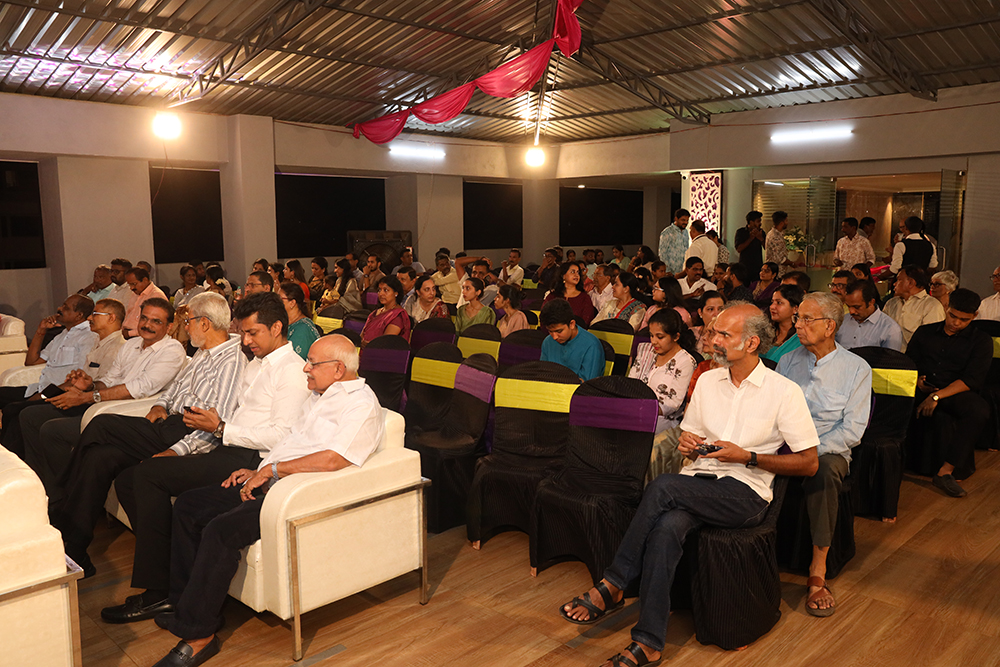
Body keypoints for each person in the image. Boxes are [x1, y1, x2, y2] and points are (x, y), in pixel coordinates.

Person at [559, 303, 819, 667]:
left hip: (745, 492)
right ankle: (649, 642)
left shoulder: (783, 391)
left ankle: (614, 583)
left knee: (663, 487)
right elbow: (690, 435)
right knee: (666, 528)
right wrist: (688, 444)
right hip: (697, 482)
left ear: (751, 343)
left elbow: (809, 463)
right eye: (713, 332)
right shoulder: (709, 380)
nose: (713, 341)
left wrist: (748, 457)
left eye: (723, 334)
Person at [148, 335, 383, 667]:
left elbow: (333, 459)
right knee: (188, 505)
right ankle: (184, 603)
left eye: (313, 363)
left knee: (221, 530)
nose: (305, 368)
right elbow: (290, 442)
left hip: (298, 494)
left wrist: (272, 470)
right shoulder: (318, 396)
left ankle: (199, 636)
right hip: (273, 481)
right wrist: (257, 470)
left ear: (338, 369)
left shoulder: (360, 404)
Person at [98, 292, 311, 624]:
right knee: (128, 478)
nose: (246, 340)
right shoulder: (256, 363)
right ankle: (167, 572)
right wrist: (212, 428)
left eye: (253, 333)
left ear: (277, 328)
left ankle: (159, 592)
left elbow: (281, 435)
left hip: (249, 457)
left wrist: (222, 428)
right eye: (244, 332)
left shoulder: (292, 371)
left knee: (147, 474)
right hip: (226, 445)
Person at [52, 292, 245, 577]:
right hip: (167, 423)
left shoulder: (230, 361)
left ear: (204, 323)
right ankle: (77, 549)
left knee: (102, 424)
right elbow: (174, 389)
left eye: (189, 321)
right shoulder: (203, 353)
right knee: (99, 457)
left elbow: (215, 423)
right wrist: (160, 404)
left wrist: (175, 451)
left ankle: (58, 503)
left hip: (184, 433)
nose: (186, 327)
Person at [20, 298, 184, 508]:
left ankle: (61, 496)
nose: (147, 325)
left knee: (53, 430)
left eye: (156, 321)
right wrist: (89, 385)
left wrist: (87, 397)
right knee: (30, 416)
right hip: (103, 403)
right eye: (144, 318)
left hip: (129, 413)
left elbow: (139, 388)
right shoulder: (132, 344)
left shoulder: (172, 350)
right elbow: (110, 380)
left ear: (169, 327)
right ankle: (40, 487)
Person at [777, 292, 872, 616]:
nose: (798, 325)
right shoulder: (788, 361)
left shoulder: (856, 369)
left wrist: (809, 452)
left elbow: (853, 430)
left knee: (824, 471)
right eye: (797, 318)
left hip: (828, 448)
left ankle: (817, 569)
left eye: (806, 319)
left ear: (830, 326)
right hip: (785, 443)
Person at [906, 288, 993, 497]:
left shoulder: (981, 340)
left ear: (975, 316)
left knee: (979, 410)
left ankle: (946, 471)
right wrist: (918, 382)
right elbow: (909, 363)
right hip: (923, 387)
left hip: (954, 391)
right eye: (953, 316)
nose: (956, 323)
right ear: (947, 308)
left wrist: (936, 396)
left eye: (964, 320)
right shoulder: (925, 332)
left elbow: (972, 379)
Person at [0, 294, 97, 423]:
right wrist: (41, 330)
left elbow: (80, 377)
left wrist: (43, 395)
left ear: (79, 315)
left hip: (58, 393)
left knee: (13, 410)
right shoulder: (62, 334)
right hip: (39, 388)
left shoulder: (88, 337)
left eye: (66, 308)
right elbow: (31, 362)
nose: (59, 308)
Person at [539, 299, 604, 381]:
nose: (554, 337)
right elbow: (543, 375)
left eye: (559, 331)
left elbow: (587, 384)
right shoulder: (547, 342)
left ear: (572, 324)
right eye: (550, 331)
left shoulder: (591, 345)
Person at [883, 265, 945, 351]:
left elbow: (931, 341)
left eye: (899, 280)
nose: (894, 284)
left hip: (914, 357)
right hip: (888, 354)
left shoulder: (932, 306)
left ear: (911, 283)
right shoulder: (891, 303)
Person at [837, 280, 904, 351]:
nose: (851, 311)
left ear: (871, 302)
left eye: (857, 307)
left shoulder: (890, 329)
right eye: (848, 306)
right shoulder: (842, 321)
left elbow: (891, 357)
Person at [361, 276, 411, 345]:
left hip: (382, 350)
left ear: (396, 293)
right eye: (379, 290)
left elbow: (386, 342)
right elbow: (362, 336)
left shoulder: (398, 315)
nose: (381, 294)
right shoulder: (374, 313)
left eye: (386, 290)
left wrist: (368, 345)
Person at [762, 284, 805, 364]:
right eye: (772, 302)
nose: (772, 307)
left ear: (795, 309)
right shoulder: (766, 332)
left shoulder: (801, 338)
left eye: (779, 303)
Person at [277, 282, 320, 360]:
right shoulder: (285, 322)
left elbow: (292, 360)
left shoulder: (303, 329)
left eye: (280, 299)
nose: (276, 302)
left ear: (292, 303)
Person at [122, 267, 168, 338]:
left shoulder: (156, 295)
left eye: (134, 284)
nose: (131, 288)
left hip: (141, 336)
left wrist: (129, 333)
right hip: (127, 333)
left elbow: (156, 325)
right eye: (129, 285)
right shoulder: (135, 293)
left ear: (145, 280)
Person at [658, 208, 690, 273]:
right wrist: (668, 271)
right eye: (683, 220)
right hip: (671, 272)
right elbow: (662, 253)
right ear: (676, 219)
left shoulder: (686, 232)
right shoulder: (667, 232)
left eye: (687, 220)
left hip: (683, 272)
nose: (685, 222)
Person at [734, 210, 765, 277]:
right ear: (751, 222)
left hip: (757, 267)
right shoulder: (741, 232)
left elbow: (767, 248)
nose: (760, 223)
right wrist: (751, 238)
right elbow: (739, 249)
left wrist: (761, 238)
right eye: (758, 221)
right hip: (744, 266)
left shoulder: (761, 232)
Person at [766, 210, 793, 277]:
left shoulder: (778, 234)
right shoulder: (775, 236)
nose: (787, 223)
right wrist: (792, 263)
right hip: (777, 272)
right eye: (786, 221)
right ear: (781, 223)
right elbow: (780, 259)